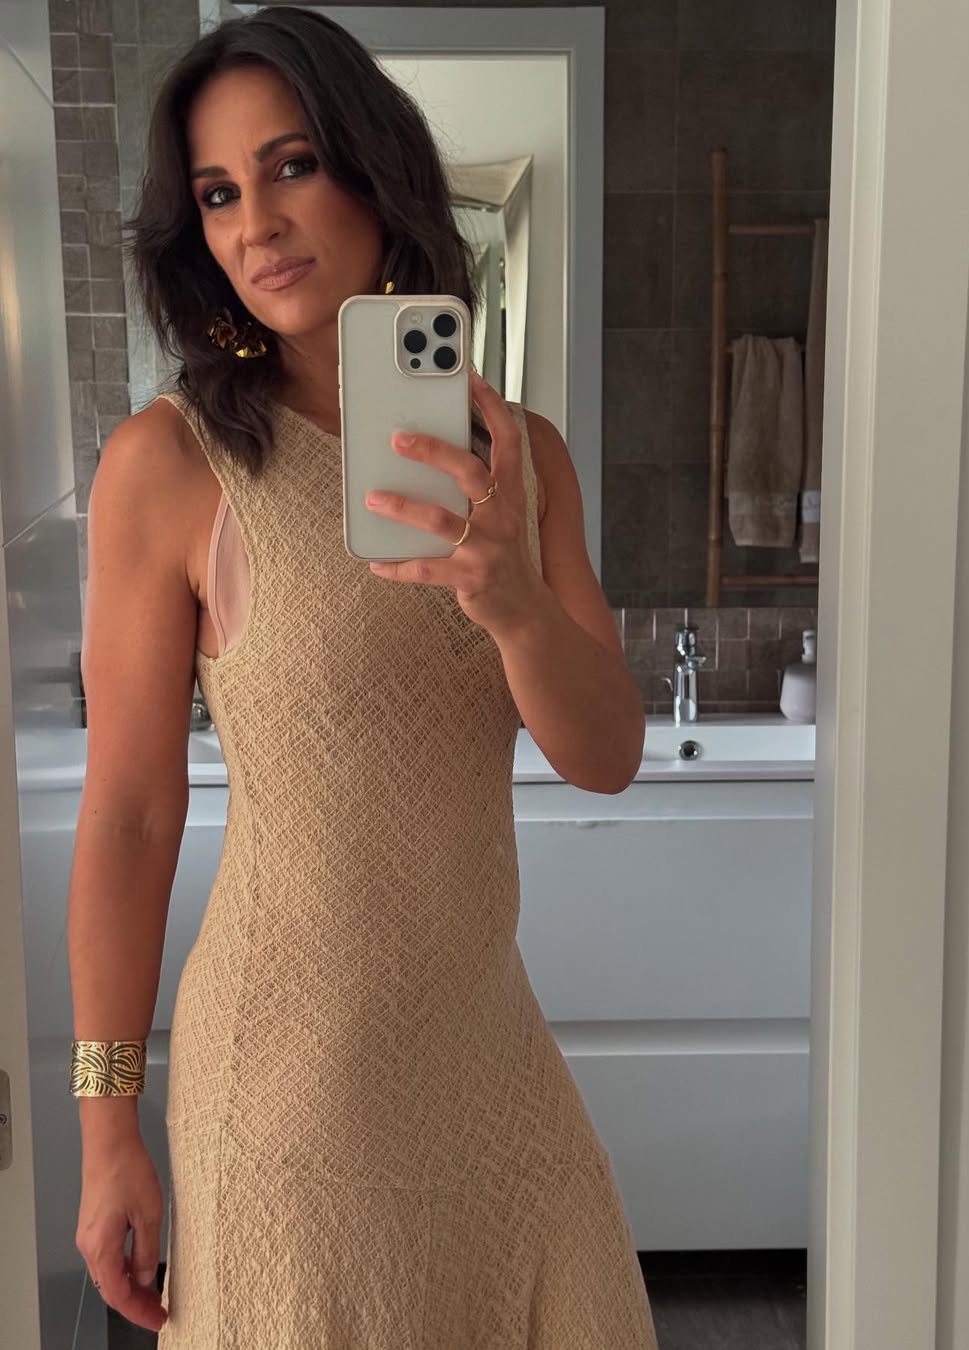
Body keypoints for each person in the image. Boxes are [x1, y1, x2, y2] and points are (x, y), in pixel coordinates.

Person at [67, 7, 655, 1346]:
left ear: (375, 172)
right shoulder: (170, 465)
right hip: (287, 1093)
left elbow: (608, 753)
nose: (256, 223)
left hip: (489, 1059)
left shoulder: (524, 458)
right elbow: (131, 815)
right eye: (218, 193)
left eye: (291, 165)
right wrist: (106, 1130)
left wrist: (514, 606)